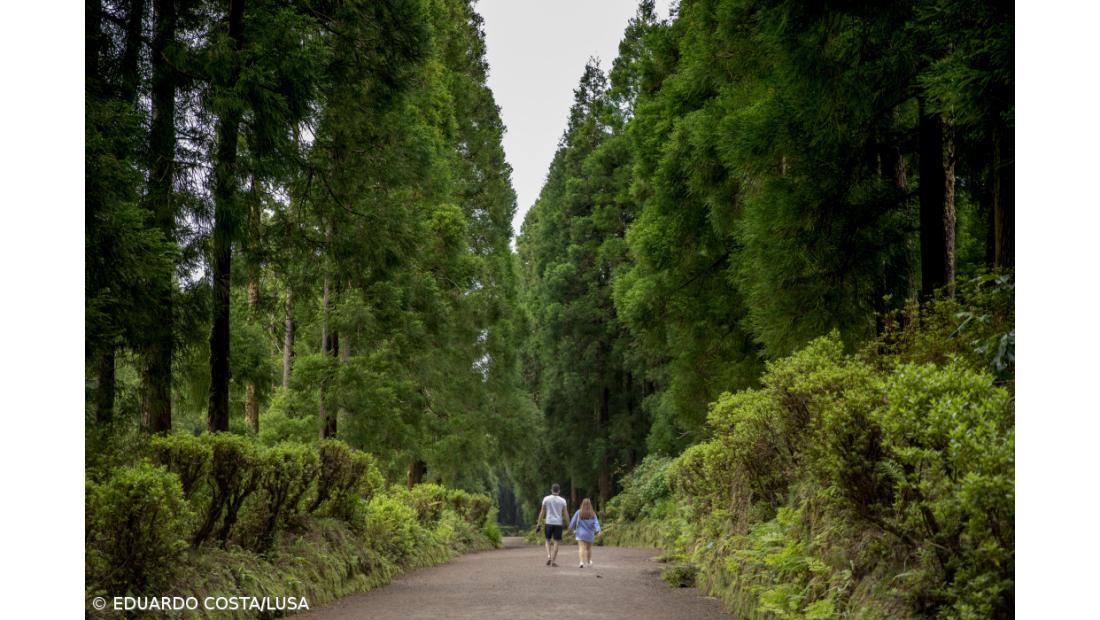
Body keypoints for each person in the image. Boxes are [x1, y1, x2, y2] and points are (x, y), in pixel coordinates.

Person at [536, 483, 568, 566]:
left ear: (551, 490)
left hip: (548, 522)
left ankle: (549, 556)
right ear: (559, 491)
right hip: (558, 523)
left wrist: (538, 523)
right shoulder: (562, 500)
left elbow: (542, 512)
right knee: (556, 542)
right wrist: (569, 524)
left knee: (547, 540)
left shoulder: (546, 499)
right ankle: (553, 561)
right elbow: (565, 513)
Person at [568, 497, 601, 568]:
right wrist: (598, 531)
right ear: (590, 505)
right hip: (590, 534)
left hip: (580, 533)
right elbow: (596, 523)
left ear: (582, 504)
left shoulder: (579, 512)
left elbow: (573, 521)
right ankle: (588, 562)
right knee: (589, 549)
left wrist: (570, 528)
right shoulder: (593, 514)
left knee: (581, 547)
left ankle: (581, 562)